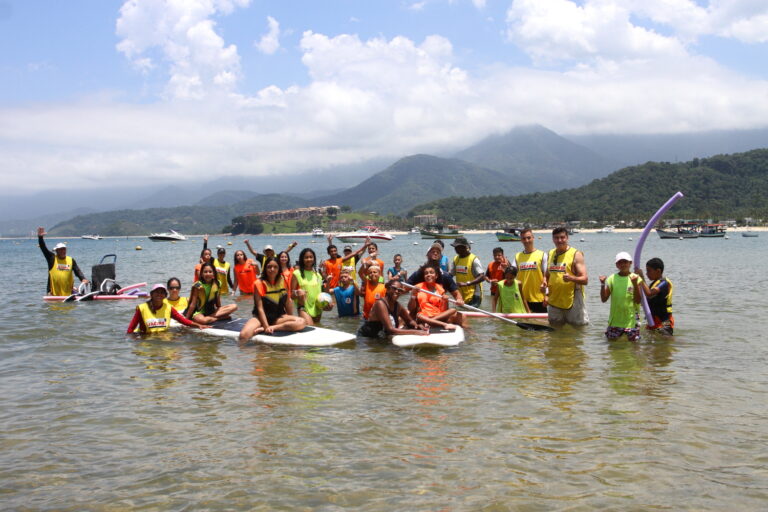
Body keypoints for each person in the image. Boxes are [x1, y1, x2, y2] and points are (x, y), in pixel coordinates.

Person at [239, 257, 306, 342]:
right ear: (265, 268)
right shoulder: (259, 283)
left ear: (279, 269)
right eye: (269, 267)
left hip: (278, 318)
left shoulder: (282, 281)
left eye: (275, 267)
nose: (272, 269)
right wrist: (266, 326)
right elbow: (260, 308)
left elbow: (287, 301)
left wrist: (290, 317)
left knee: (302, 322)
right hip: (260, 318)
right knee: (243, 336)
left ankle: (274, 327)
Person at [542, 227, 589, 327]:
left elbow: (585, 279)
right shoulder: (550, 253)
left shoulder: (576, 254)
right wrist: (544, 283)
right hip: (554, 301)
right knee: (555, 331)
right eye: (556, 238)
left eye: (562, 237)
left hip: (573, 300)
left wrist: (572, 278)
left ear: (567, 238)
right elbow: (547, 275)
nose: (559, 240)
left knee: (578, 330)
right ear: (553, 239)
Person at [357, 279, 429, 338]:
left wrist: (417, 326)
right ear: (388, 289)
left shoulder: (398, 306)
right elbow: (390, 329)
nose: (397, 291)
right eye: (394, 288)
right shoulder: (380, 304)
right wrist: (416, 332)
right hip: (366, 340)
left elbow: (409, 321)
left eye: (400, 290)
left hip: (380, 339)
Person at [127, 283, 207, 334]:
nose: (159, 294)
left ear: (165, 295)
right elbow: (130, 329)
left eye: (162, 292)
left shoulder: (169, 308)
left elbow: (182, 320)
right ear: (151, 294)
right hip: (145, 338)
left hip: (162, 337)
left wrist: (198, 325)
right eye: (157, 292)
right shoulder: (142, 308)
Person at [599, 252, 642, 341]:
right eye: (620, 262)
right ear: (616, 265)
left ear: (630, 263)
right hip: (615, 320)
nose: (623, 264)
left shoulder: (635, 278)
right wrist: (603, 284)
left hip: (631, 320)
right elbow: (604, 299)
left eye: (625, 262)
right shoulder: (612, 278)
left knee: (634, 348)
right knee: (613, 346)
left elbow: (638, 301)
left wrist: (635, 284)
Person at [37, 227, 89, 296]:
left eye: (64, 249)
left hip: (68, 293)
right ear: (56, 251)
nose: (63, 251)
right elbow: (43, 248)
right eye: (60, 249)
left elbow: (77, 271)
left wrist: (83, 278)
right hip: (53, 293)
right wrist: (40, 238)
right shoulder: (52, 258)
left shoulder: (70, 260)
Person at [291, 247, 331, 325]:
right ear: (302, 259)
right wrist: (297, 292)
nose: (309, 259)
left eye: (311, 257)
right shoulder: (296, 273)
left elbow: (323, 293)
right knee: (310, 328)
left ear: (314, 259)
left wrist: (329, 302)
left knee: (317, 329)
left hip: (317, 308)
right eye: (306, 257)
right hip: (303, 307)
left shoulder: (318, 275)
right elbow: (291, 295)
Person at [636, 257, 674, 335]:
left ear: (658, 271)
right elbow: (644, 299)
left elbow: (649, 293)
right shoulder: (653, 284)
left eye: (649, 271)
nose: (646, 274)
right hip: (653, 321)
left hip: (664, 322)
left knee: (665, 343)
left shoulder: (664, 283)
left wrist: (641, 278)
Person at [514, 228, 548, 313]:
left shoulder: (542, 255)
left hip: (539, 298)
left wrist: (547, 295)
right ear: (521, 240)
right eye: (524, 238)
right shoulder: (517, 256)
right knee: (525, 323)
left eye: (528, 238)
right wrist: (505, 268)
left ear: (533, 238)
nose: (526, 240)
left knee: (541, 325)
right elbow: (511, 274)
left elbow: (547, 275)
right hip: (522, 298)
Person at [449, 237, 485, 307]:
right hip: (461, 294)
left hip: (475, 294)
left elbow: (482, 277)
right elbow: (450, 274)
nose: (456, 249)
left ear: (464, 247)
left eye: (458, 247)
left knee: (473, 315)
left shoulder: (474, 259)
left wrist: (467, 284)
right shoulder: (455, 259)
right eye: (455, 247)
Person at [485, 247, 509, 312]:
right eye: (495, 255)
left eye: (499, 255)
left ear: (503, 255)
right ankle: (495, 320)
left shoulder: (506, 263)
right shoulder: (490, 265)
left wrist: (506, 267)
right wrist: (490, 281)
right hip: (494, 291)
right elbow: (486, 276)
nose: (497, 257)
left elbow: (512, 276)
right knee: (495, 309)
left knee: (505, 309)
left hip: (505, 290)